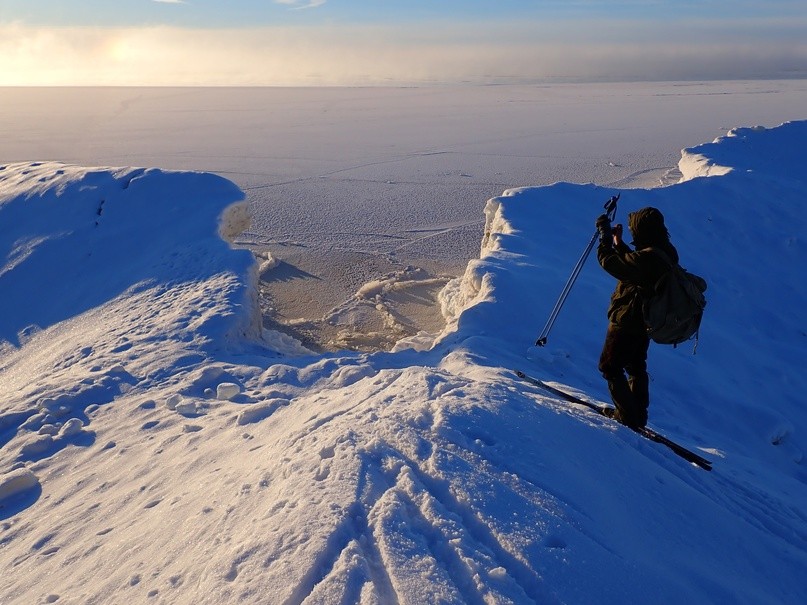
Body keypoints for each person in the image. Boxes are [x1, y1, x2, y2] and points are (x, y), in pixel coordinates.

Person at [595, 207, 678, 429]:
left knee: (610, 367)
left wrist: (604, 239)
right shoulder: (665, 251)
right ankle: (637, 415)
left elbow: (611, 263)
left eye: (635, 230)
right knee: (635, 367)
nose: (633, 234)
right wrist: (618, 243)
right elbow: (635, 264)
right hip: (644, 322)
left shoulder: (648, 258)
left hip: (627, 319)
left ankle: (627, 418)